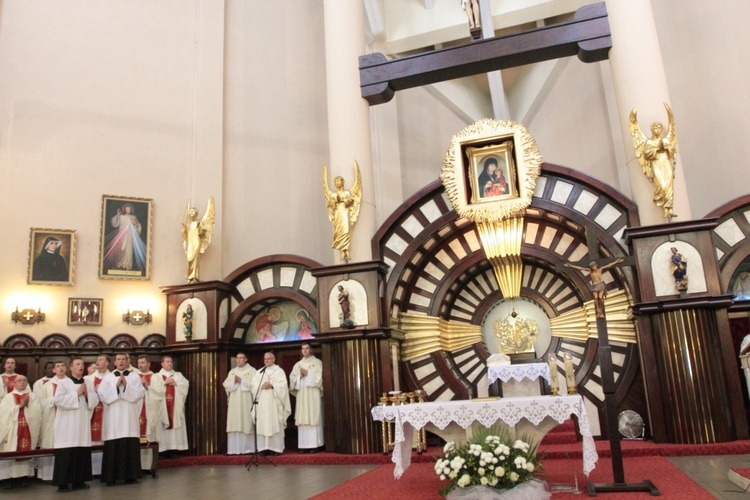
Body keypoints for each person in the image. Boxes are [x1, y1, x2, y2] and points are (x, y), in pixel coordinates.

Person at [97, 353, 145, 486]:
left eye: (123, 359)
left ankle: (131, 476)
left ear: (127, 361)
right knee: (113, 444)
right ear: (115, 363)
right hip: (113, 416)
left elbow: (140, 393)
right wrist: (116, 387)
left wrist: (127, 386)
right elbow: (102, 395)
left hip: (129, 415)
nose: (121, 361)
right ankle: (111, 477)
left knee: (129, 443)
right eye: (119, 359)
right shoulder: (108, 378)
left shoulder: (135, 377)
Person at [52, 358, 99, 493]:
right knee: (66, 452)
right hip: (67, 424)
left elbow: (95, 400)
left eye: (82, 364)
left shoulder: (88, 383)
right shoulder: (63, 383)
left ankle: (79, 481)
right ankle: (63, 483)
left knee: (81, 451)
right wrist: (76, 394)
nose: (81, 366)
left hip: (82, 423)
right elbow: (58, 400)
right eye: (78, 364)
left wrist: (87, 395)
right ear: (70, 368)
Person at [629, 103, 679, 220]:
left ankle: (669, 209)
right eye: (655, 128)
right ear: (652, 130)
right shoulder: (649, 142)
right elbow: (647, 154)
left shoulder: (665, 140)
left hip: (665, 162)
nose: (657, 130)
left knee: (669, 184)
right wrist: (656, 149)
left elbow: (671, 151)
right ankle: (662, 205)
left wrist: (666, 148)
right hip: (656, 163)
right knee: (661, 183)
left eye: (659, 128)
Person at [0, 375, 41, 488]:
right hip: (12, 429)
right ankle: (7, 479)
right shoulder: (8, 397)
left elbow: (38, 412)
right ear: (14, 383)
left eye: (24, 380)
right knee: (10, 450)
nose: (22, 382)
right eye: (19, 381)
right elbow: (3, 413)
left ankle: (22, 477)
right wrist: (19, 406)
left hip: (27, 428)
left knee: (25, 451)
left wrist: (27, 405)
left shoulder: (32, 396)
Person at [250, 352, 291, 456]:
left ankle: (275, 448)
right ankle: (263, 448)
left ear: (274, 359)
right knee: (263, 423)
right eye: (265, 359)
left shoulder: (279, 371)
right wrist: (261, 387)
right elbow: (253, 386)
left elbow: (283, 386)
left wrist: (272, 385)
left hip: (274, 402)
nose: (266, 361)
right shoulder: (260, 372)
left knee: (274, 423)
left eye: (268, 359)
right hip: (262, 403)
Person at [149, 355, 189, 457]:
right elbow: (152, 390)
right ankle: (162, 450)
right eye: (167, 362)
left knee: (175, 425)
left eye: (171, 361)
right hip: (162, 408)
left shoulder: (178, 375)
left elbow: (185, 386)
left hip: (175, 407)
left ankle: (174, 449)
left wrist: (176, 384)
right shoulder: (157, 376)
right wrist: (164, 383)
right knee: (161, 426)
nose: (170, 363)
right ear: (162, 364)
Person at [323, 162, 362, 262]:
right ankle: (342, 251)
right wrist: (335, 200)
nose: (337, 183)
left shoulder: (347, 193)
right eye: (335, 181)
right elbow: (331, 204)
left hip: (345, 212)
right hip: (338, 213)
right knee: (338, 231)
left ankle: (347, 251)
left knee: (346, 229)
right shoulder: (333, 194)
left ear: (342, 182)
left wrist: (343, 200)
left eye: (338, 181)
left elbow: (351, 201)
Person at [289, 343, 324, 453]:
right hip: (302, 395)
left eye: (307, 348)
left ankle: (315, 445)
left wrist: (308, 373)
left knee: (313, 415)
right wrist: (299, 376)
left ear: (311, 350)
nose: (304, 350)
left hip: (313, 394)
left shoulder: (317, 362)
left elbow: (320, 378)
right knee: (303, 417)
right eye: (303, 349)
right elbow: (292, 379)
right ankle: (304, 446)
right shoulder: (297, 364)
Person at [223, 352, 256, 455]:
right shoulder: (232, 372)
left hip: (246, 401)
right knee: (234, 422)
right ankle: (233, 450)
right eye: (237, 358)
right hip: (234, 402)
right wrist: (233, 382)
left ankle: (248, 449)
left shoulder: (252, 371)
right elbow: (226, 384)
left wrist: (242, 381)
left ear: (246, 359)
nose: (238, 360)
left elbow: (255, 385)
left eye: (241, 358)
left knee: (246, 422)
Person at [84, 353, 110, 476]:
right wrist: (93, 391)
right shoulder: (88, 379)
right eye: (97, 360)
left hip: (107, 412)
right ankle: (92, 471)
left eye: (101, 360)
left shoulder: (112, 377)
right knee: (92, 440)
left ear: (107, 363)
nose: (98, 362)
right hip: (92, 412)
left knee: (105, 439)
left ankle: (104, 470)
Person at [103, 203, 147, 273]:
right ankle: (120, 262)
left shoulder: (133, 217)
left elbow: (138, 225)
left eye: (129, 209)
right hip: (122, 234)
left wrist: (136, 223)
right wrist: (117, 216)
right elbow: (115, 224)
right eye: (126, 209)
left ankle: (127, 265)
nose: (128, 210)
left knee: (129, 249)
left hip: (129, 234)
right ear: (125, 210)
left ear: (131, 210)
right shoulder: (121, 216)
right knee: (122, 248)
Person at [181, 198, 215, 283]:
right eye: (190, 212)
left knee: (195, 258)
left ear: (196, 214)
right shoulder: (188, 224)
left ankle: (194, 277)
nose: (191, 213)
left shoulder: (199, 223)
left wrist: (202, 230)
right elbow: (185, 235)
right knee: (189, 258)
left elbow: (202, 234)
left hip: (196, 242)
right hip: (190, 243)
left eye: (193, 212)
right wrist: (183, 231)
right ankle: (189, 277)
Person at [33, 361, 57, 481]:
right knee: (47, 442)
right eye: (48, 368)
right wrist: (55, 400)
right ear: (45, 370)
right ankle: (45, 474)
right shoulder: (40, 383)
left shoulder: (63, 381)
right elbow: (38, 401)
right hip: (46, 417)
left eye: (53, 368)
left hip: (59, 417)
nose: (51, 370)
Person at [135, 355, 156, 470]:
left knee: (148, 435)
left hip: (149, 410)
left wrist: (147, 386)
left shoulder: (155, 377)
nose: (140, 365)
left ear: (148, 364)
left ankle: (148, 467)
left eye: (142, 362)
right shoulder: (134, 376)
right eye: (139, 363)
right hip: (137, 409)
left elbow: (159, 393)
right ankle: (136, 466)